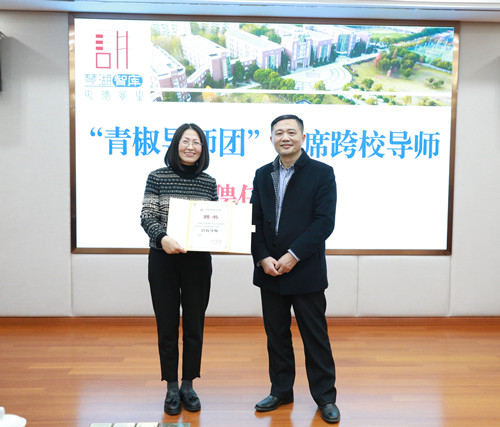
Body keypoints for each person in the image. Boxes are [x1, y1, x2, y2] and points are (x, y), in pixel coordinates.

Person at [250, 114, 340, 424]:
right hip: (269, 271)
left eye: (291, 132)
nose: (285, 137)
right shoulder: (262, 174)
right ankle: (281, 391)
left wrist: (293, 255)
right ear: (271, 139)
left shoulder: (322, 173)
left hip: (305, 270)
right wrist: (263, 257)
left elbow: (324, 222)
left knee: (315, 337)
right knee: (276, 336)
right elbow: (254, 222)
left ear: (303, 137)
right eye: (279, 133)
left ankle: (325, 397)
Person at [140, 123, 217, 416]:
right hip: (164, 259)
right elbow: (147, 215)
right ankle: (171, 385)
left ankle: (188, 384)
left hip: (198, 262)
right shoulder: (157, 177)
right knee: (167, 324)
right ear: (176, 145)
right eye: (185, 141)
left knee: (195, 324)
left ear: (202, 149)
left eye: (196, 142)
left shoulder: (208, 182)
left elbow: (214, 221)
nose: (190, 147)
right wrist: (163, 238)